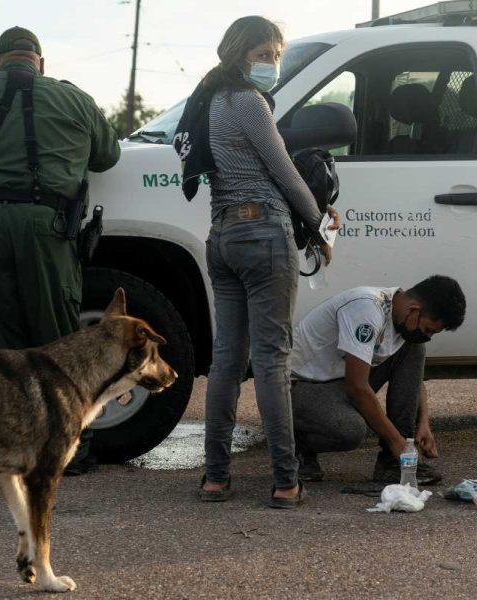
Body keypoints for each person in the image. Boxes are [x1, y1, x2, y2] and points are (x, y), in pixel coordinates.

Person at [0, 26, 120, 475]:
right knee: (56, 338)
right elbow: (107, 157)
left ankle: (0, 449)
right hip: (46, 227)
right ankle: (67, 450)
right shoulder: (74, 99)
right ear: (41, 63)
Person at [185, 16, 336, 509]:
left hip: (222, 235)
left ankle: (215, 477)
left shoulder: (205, 103)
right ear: (238, 54)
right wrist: (318, 225)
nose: (272, 64)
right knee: (271, 360)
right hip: (262, 235)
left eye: (276, 55)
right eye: (264, 54)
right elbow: (287, 174)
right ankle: (286, 480)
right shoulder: (247, 101)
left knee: (227, 360)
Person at [289, 275, 466, 484]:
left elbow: (413, 378)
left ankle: (392, 464)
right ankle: (296, 445)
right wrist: (396, 441)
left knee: (415, 348)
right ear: (414, 310)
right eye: (428, 329)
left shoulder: (401, 318)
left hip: (335, 382)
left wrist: (423, 422)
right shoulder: (367, 309)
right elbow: (356, 387)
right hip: (298, 388)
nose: (428, 335)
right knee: (350, 430)